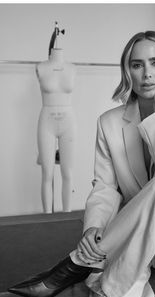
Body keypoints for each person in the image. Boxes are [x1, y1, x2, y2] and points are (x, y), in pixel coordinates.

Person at [8, 30, 155, 297]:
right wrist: (94, 226)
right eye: (137, 65)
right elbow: (105, 187)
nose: (147, 74)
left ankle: (78, 263)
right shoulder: (109, 122)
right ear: (127, 71)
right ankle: (98, 267)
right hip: (137, 241)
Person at [36, 23, 77, 213]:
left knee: (67, 172)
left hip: (68, 121)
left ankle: (67, 216)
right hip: (47, 121)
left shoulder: (72, 68)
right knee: (47, 173)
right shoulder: (41, 67)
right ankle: (46, 217)